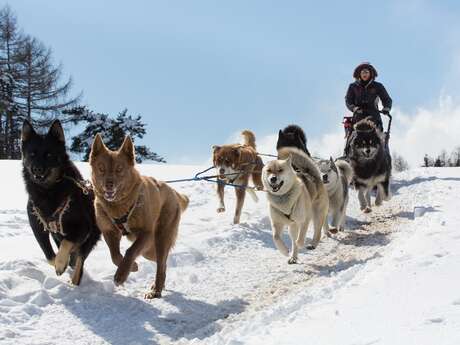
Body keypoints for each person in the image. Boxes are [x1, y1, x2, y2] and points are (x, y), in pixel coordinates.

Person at [345, 62, 392, 131]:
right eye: (363, 72)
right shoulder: (353, 86)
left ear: (370, 74)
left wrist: (386, 108)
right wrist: (354, 108)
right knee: (354, 135)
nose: (365, 74)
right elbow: (348, 100)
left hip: (374, 116)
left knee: (379, 136)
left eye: (366, 72)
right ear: (359, 74)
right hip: (358, 116)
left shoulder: (378, 86)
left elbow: (386, 99)